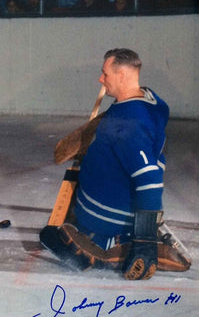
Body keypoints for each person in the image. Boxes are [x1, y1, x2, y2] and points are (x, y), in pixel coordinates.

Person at [39, 48, 190, 280]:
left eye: (105, 74)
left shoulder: (127, 125)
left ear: (121, 76)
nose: (101, 79)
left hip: (106, 216)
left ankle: (114, 244)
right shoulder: (154, 102)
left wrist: (145, 240)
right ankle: (126, 234)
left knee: (56, 234)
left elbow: (149, 180)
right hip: (123, 200)